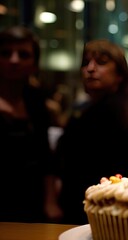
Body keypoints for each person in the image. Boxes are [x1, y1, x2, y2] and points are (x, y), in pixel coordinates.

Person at [55, 39, 128, 224]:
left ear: (120, 74)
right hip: (81, 208)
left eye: (101, 62)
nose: (90, 68)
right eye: (85, 63)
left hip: (120, 211)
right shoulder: (81, 111)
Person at [0, 26, 61, 222]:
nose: (14, 60)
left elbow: (45, 158)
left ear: (34, 64)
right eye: (6, 53)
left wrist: (50, 202)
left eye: (23, 54)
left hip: (31, 200)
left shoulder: (35, 100)